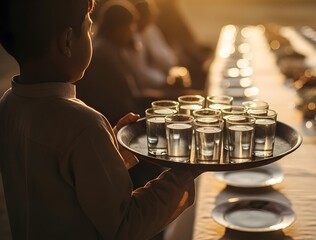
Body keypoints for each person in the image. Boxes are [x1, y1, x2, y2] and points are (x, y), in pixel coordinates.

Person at [0, 1, 198, 239]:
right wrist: (183, 172)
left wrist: (109, 149)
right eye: (89, 29)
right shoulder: (84, 125)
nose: (93, 36)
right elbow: (125, 225)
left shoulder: (9, 103)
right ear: (67, 42)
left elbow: (61, 183)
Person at [77, 0, 167, 125]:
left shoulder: (111, 48)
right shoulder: (105, 54)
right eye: (130, 26)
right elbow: (126, 101)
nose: (132, 32)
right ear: (117, 27)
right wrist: (166, 103)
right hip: (113, 121)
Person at [154, 0, 212, 90]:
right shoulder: (158, 18)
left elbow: (189, 40)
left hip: (182, 60)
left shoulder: (173, 13)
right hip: (175, 67)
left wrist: (202, 58)